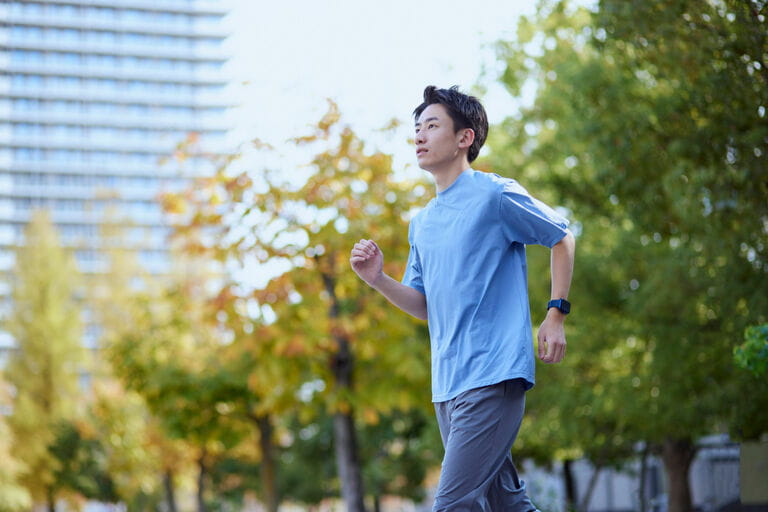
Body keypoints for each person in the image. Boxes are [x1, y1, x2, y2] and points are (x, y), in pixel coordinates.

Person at [349, 85, 575, 511]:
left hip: (493, 374)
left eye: (431, 125)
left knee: (452, 505)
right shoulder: (422, 223)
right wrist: (378, 279)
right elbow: (424, 305)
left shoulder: (495, 195)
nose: (419, 135)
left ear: (464, 138)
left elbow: (562, 237)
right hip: (448, 386)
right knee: (507, 504)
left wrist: (555, 314)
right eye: (417, 128)